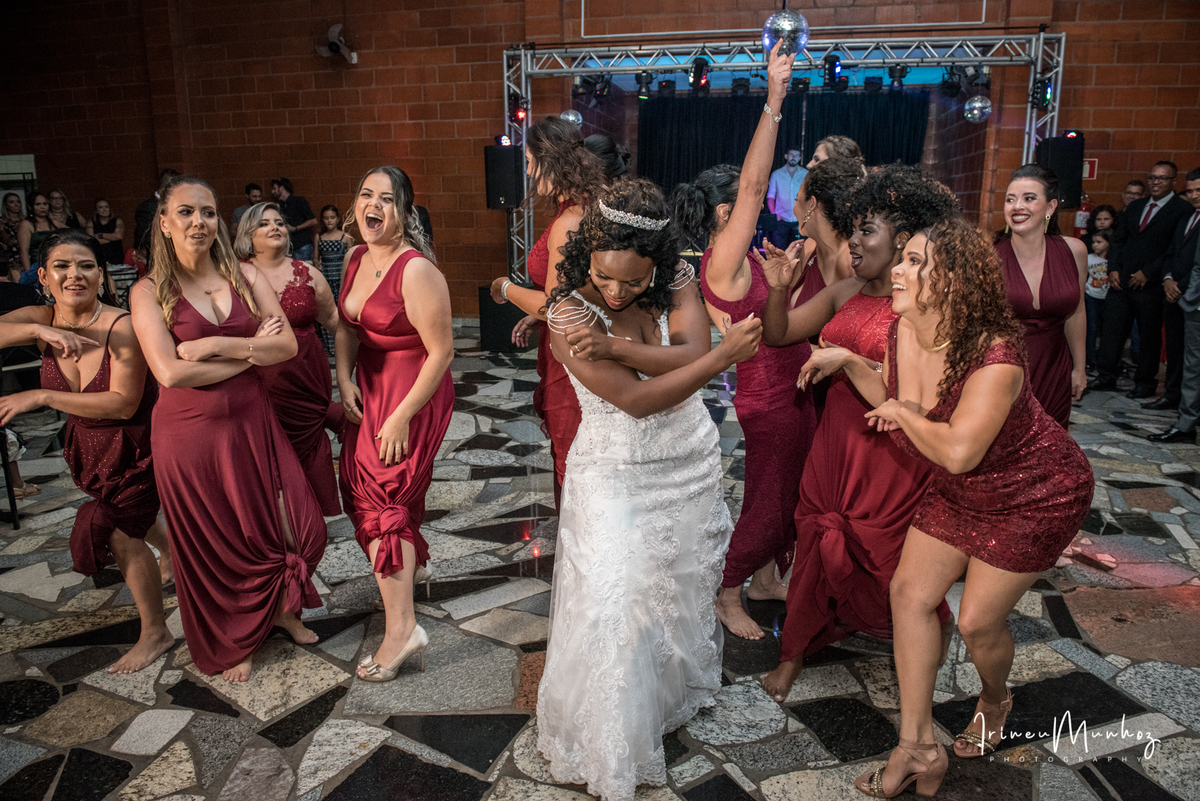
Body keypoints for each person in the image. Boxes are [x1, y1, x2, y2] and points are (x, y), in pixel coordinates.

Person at [837, 219, 1093, 797]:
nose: (897, 270)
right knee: (909, 595)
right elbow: (903, 400)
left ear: (951, 280)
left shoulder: (996, 357)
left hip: (1036, 492)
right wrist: (850, 363)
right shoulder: (904, 327)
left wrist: (902, 413)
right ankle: (917, 747)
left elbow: (952, 448)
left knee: (977, 621)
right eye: (900, 258)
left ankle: (996, 698)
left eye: (912, 261)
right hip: (967, 490)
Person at [537, 179, 762, 801]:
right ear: (590, 254)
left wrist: (622, 345)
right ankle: (611, 744)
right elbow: (634, 398)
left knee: (673, 588)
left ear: (657, 263)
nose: (615, 290)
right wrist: (716, 360)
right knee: (617, 602)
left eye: (633, 282)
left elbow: (689, 344)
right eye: (605, 276)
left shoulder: (678, 277)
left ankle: (664, 699)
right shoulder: (567, 313)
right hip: (615, 472)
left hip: (687, 460)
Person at [758, 164, 958, 700]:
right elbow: (778, 335)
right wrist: (780, 290)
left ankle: (918, 639)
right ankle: (794, 652)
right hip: (836, 442)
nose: (854, 244)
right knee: (814, 540)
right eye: (854, 230)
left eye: (868, 231)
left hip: (892, 454)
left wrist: (848, 361)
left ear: (905, 241)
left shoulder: (923, 304)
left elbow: (916, 397)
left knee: (888, 556)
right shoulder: (845, 290)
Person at [130, 175, 326, 682]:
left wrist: (220, 347)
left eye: (209, 212)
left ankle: (280, 609)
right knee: (215, 538)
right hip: (189, 433)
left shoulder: (242, 274)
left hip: (252, 421)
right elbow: (171, 372)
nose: (199, 222)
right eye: (187, 213)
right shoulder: (149, 290)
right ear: (166, 223)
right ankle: (234, 635)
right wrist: (251, 351)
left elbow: (286, 348)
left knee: (288, 522)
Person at [671, 41, 815, 640]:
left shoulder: (752, 259)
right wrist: (775, 98)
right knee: (768, 504)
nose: (756, 211)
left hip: (794, 390)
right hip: (771, 400)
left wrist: (792, 276)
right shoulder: (721, 260)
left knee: (787, 498)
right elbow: (757, 187)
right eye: (747, 206)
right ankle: (730, 589)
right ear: (727, 212)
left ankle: (763, 579)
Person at [0, 229, 173, 673]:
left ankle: (155, 632)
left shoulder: (122, 326)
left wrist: (40, 397)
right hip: (89, 450)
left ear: (100, 275)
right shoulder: (43, 319)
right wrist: (37, 328)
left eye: (86, 265)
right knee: (124, 515)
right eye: (62, 265)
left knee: (119, 530)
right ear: (43, 275)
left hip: (137, 447)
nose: (74, 274)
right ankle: (171, 552)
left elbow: (123, 404)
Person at [336, 166, 454, 683]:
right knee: (360, 482)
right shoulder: (355, 257)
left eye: (387, 198)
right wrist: (343, 379)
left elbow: (442, 351)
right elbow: (345, 323)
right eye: (366, 194)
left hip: (415, 386)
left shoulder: (417, 271)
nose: (373, 205)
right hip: (371, 383)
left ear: (403, 212)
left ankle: (402, 630)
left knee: (385, 492)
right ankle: (414, 564)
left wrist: (404, 414)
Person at [489, 116, 605, 508]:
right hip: (580, 337)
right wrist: (534, 314)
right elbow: (579, 289)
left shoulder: (569, 220)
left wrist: (506, 289)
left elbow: (558, 304)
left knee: (571, 457)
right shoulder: (585, 206)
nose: (525, 170)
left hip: (571, 355)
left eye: (527, 161)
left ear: (547, 159)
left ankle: (579, 550)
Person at [234, 202, 343, 515]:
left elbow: (334, 321)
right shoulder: (232, 277)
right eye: (264, 223)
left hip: (307, 382)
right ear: (247, 235)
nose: (275, 227)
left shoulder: (307, 273)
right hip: (259, 384)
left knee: (310, 473)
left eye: (279, 222)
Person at [1089, 161, 1191, 398]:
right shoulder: (1136, 207)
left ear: (1174, 181)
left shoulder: (1180, 210)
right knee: (1112, 331)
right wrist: (1112, 269)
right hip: (1121, 281)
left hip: (1151, 285)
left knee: (1148, 336)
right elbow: (1118, 240)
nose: (1155, 182)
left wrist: (1149, 273)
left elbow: (1173, 248)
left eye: (1162, 178)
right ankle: (1106, 375)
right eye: (1152, 178)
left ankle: (1145, 381)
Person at [995, 165, 1087, 428]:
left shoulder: (1074, 251)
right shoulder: (988, 254)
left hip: (1054, 369)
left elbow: (1077, 311)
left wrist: (1079, 369)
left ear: (1050, 207)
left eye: (1029, 198)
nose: (1017, 206)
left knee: (1052, 450)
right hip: (1002, 370)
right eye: (1010, 199)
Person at [1148, 168, 1200, 427]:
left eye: (1198, 191)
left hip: (1191, 293)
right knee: (1176, 352)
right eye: (1190, 191)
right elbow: (1171, 252)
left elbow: (1197, 264)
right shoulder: (1187, 217)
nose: (1193, 196)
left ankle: (1190, 415)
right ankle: (1173, 395)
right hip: (1174, 292)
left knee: (1193, 359)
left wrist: (1182, 285)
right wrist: (1167, 279)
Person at [315, 204, 354, 354]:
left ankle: (345, 344)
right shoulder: (319, 237)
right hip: (326, 280)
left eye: (332, 218)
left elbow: (351, 260)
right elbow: (316, 259)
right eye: (326, 218)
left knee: (342, 312)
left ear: (338, 219)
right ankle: (331, 347)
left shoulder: (345, 237)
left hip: (341, 279)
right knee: (326, 311)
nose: (329, 221)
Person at [1086, 228, 1114, 372]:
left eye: (1099, 242)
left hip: (1107, 296)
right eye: (1093, 242)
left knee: (1107, 330)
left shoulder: (1113, 260)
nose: (1095, 245)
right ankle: (1090, 360)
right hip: (1091, 295)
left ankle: (1104, 359)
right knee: (1091, 329)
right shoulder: (1089, 258)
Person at [767, 147, 808, 247]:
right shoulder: (776, 174)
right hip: (782, 219)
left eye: (796, 155)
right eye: (791, 155)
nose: (794, 157)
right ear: (786, 156)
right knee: (780, 250)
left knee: (800, 251)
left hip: (799, 219)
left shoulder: (806, 174)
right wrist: (774, 214)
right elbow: (771, 196)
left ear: (799, 158)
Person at [134, 169, 181, 254]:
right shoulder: (146, 208)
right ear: (167, 188)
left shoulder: (178, 204)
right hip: (159, 258)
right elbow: (146, 239)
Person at [271, 178, 317, 263]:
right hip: (289, 248)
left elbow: (313, 220)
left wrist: (295, 228)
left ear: (281, 188)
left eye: (274, 188)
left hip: (302, 245)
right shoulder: (280, 206)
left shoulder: (299, 201)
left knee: (305, 273)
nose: (272, 192)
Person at [17, 193, 58, 283]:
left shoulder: (54, 223)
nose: (42, 207)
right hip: (35, 267)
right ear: (30, 206)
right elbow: (24, 251)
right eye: (38, 204)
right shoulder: (26, 224)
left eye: (45, 204)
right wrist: (29, 273)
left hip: (55, 265)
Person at [88, 199, 126, 268]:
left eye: (106, 207)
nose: (104, 209)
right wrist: (111, 238)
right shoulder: (91, 223)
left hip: (116, 256)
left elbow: (119, 236)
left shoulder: (117, 221)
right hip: (99, 256)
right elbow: (91, 240)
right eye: (101, 207)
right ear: (96, 210)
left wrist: (100, 235)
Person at [1, 193, 24, 282]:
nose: (16, 204)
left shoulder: (27, 220)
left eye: (18, 201)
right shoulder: (3, 222)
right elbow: (6, 241)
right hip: (11, 257)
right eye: (12, 202)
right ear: (6, 205)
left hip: (26, 255)